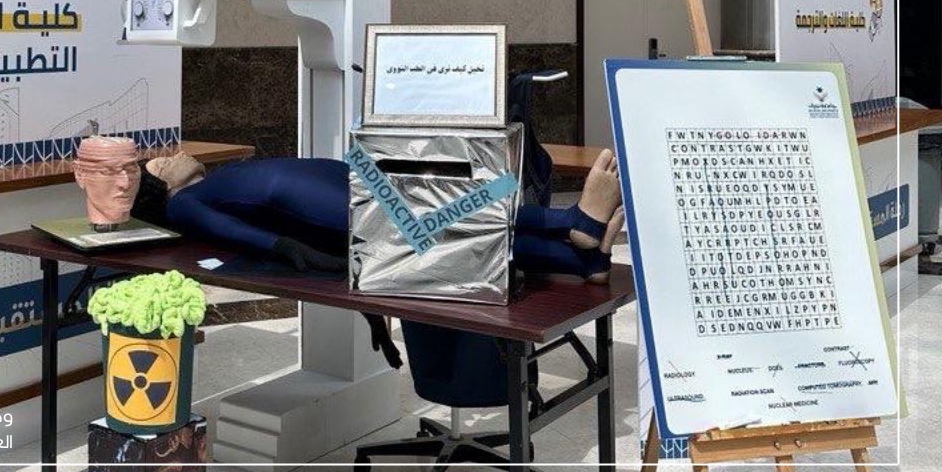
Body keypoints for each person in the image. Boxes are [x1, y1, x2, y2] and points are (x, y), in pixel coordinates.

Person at [133, 149, 624, 284]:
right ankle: (571, 223)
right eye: (160, 165)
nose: (171, 156)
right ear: (162, 187)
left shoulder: (207, 186)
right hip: (334, 206)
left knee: (452, 221)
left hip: (344, 186)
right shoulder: (183, 205)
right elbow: (231, 230)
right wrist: (291, 251)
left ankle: (579, 260)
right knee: (447, 215)